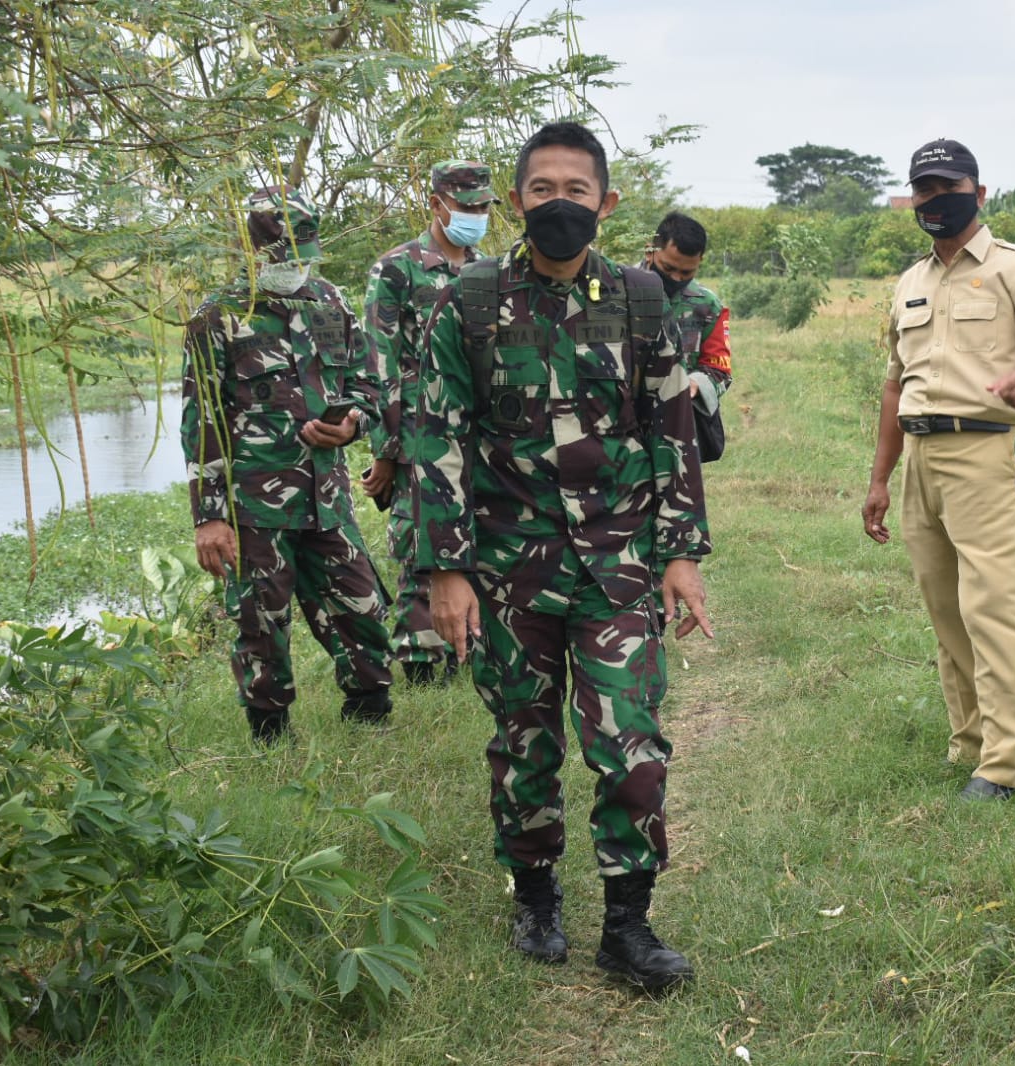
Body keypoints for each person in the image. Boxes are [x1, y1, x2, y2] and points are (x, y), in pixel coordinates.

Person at [413, 121, 713, 992]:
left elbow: (673, 435)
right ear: (516, 200)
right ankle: (536, 896)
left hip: (616, 563)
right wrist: (447, 569)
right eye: (541, 190)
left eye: (575, 192)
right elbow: (437, 440)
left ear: (605, 204)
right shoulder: (468, 304)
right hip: (509, 569)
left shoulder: (641, 301)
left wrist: (681, 555)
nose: (557, 206)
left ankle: (629, 924)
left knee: (631, 743)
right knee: (523, 740)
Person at [860, 138, 1015, 801]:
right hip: (920, 457)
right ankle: (970, 740)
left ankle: (1005, 769)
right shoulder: (910, 281)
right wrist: (879, 479)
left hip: (988, 455)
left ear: (978, 192)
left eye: (946, 187)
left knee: (995, 611)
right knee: (946, 610)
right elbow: (895, 385)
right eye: (921, 189)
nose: (932, 200)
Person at [181, 184, 393, 744]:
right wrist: (209, 516)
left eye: (300, 250)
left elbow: (368, 384)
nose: (292, 265)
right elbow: (201, 419)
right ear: (253, 251)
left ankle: (370, 714)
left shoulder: (331, 302)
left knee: (361, 605)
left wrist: (353, 425)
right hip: (253, 506)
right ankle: (271, 735)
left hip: (328, 496)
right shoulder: (216, 318)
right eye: (280, 252)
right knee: (261, 623)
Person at [361, 160, 496, 686]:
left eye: (483, 207)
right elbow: (380, 363)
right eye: (466, 207)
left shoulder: (489, 271)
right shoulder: (398, 268)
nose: (475, 216)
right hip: (420, 430)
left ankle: (476, 654)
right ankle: (421, 665)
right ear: (436, 204)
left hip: (480, 432)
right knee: (422, 542)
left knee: (478, 537)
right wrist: (387, 450)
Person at [642, 211, 733, 461]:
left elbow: (719, 369)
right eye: (668, 268)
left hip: (679, 427)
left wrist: (695, 384)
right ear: (651, 249)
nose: (675, 279)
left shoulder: (708, 306)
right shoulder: (614, 293)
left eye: (686, 273)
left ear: (700, 261)